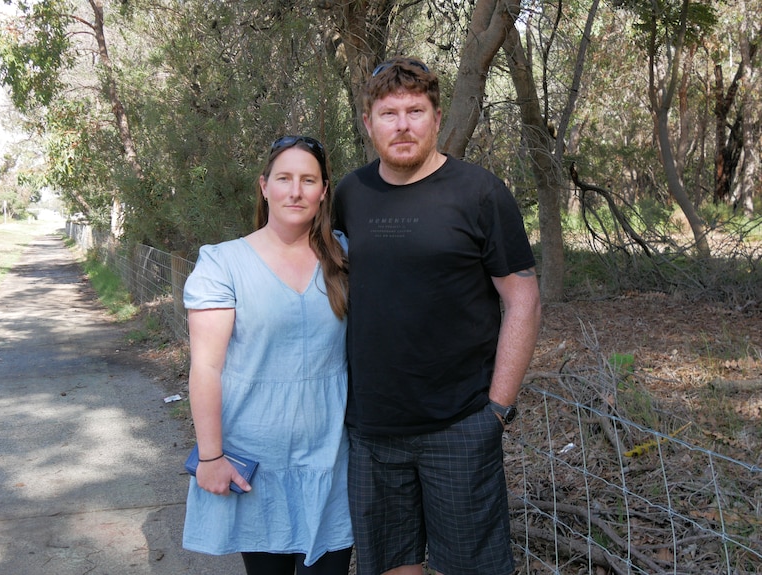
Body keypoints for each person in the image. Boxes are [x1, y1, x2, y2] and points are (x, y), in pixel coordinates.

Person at [332, 57, 542, 575]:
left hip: (461, 423)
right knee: (393, 565)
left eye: (415, 111)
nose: (402, 125)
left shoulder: (480, 193)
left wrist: (498, 409)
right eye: (388, 113)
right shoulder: (350, 195)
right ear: (368, 123)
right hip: (373, 426)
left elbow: (524, 299)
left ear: (436, 116)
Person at [182, 135, 353, 575]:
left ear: (323, 190)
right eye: (284, 178)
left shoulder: (345, 256)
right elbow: (206, 367)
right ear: (264, 186)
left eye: (308, 180)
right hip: (257, 460)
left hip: (330, 459)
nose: (295, 191)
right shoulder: (223, 263)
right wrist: (210, 456)